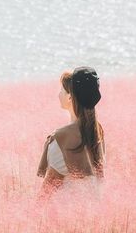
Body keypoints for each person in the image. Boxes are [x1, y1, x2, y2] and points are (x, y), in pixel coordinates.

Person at [37, 66, 106, 195]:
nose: (58, 94)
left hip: (63, 211)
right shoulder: (97, 130)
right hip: (93, 211)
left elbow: (46, 194)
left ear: (70, 97)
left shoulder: (62, 139)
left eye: (61, 90)